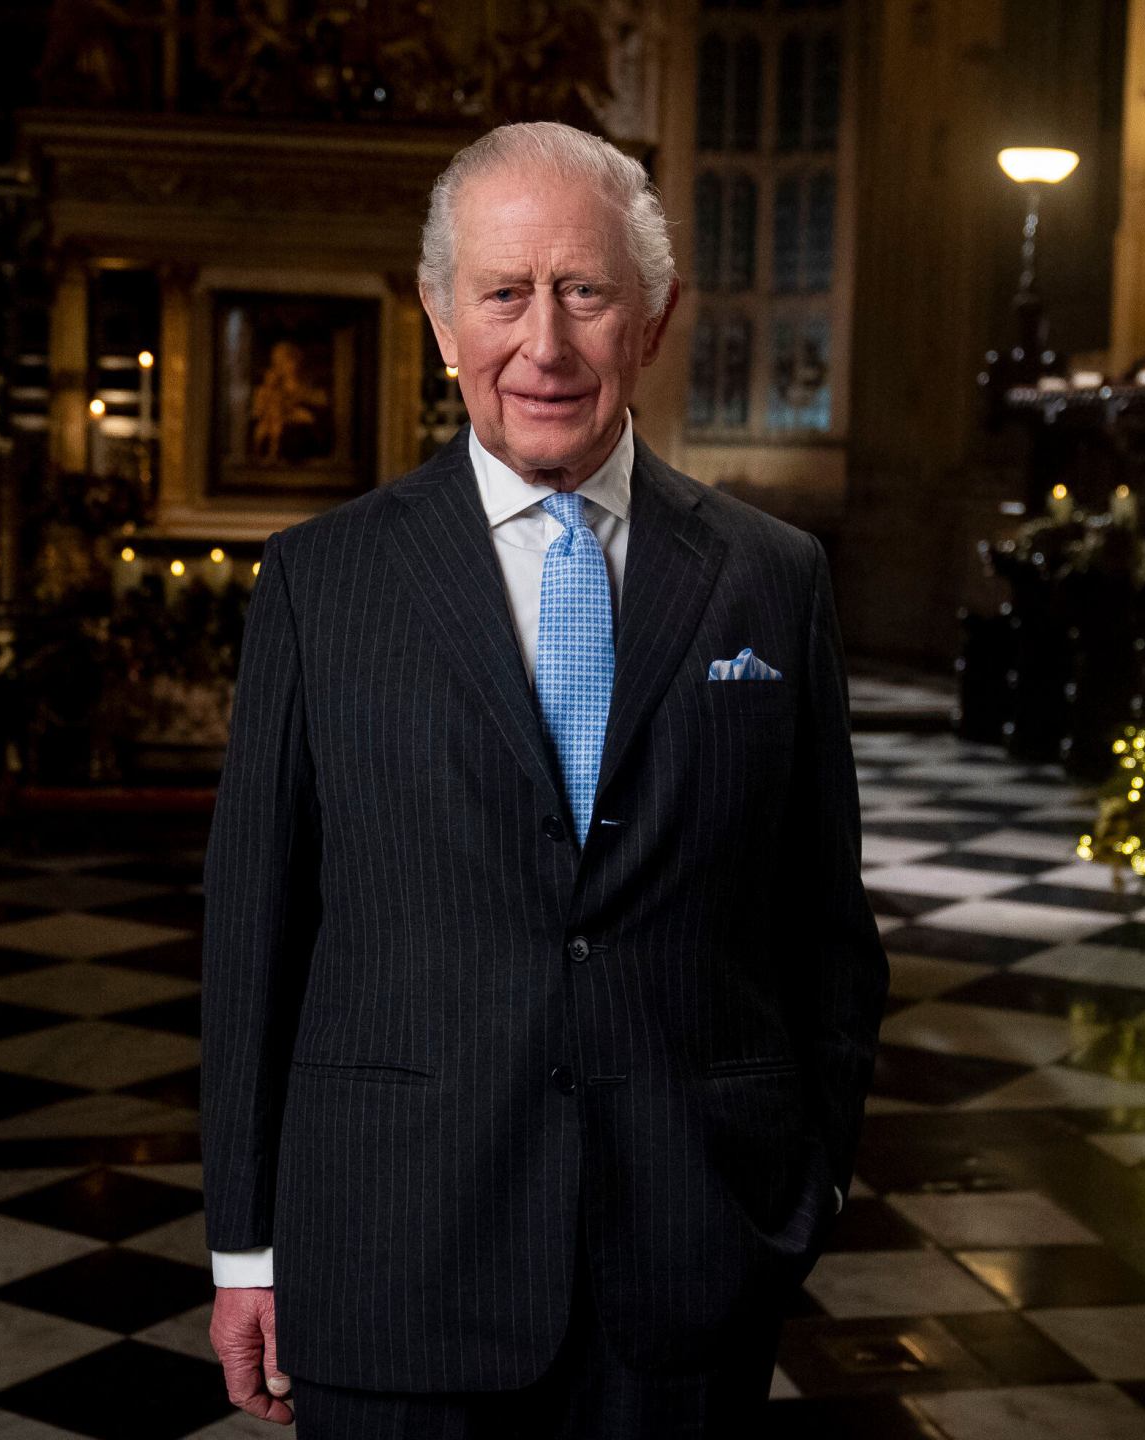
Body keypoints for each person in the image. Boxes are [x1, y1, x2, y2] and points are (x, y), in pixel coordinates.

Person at [201, 120, 886, 1438]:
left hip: (687, 1262)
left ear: (655, 315)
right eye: (505, 295)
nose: (547, 346)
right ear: (441, 317)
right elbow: (256, 941)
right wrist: (246, 1244)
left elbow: (824, 930)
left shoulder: (771, 578)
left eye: (586, 292)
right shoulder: (320, 584)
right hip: (394, 1256)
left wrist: (809, 1190)